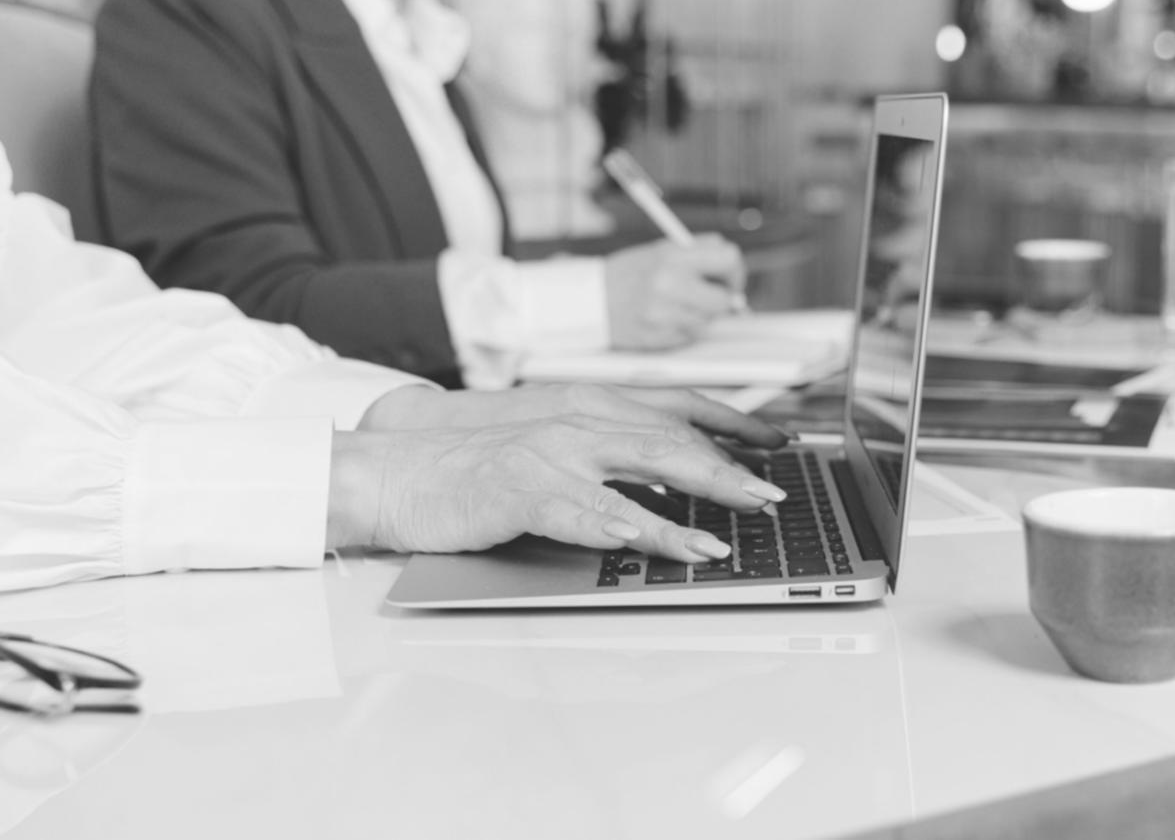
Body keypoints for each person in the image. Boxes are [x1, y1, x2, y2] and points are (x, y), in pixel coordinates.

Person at [0, 141, 788, 594]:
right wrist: (370, 480)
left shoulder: (438, 41)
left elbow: (55, 314)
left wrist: (420, 420)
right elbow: (260, 283)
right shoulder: (195, 0)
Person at [90, 0, 744, 391]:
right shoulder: (192, 3)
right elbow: (247, 308)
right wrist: (592, 301)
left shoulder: (420, 38)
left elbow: (449, 274)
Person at [453, 0, 617, 240]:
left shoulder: (580, 152)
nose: (561, 52)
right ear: (478, 44)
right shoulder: (448, 150)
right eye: (537, 29)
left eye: (575, 34)